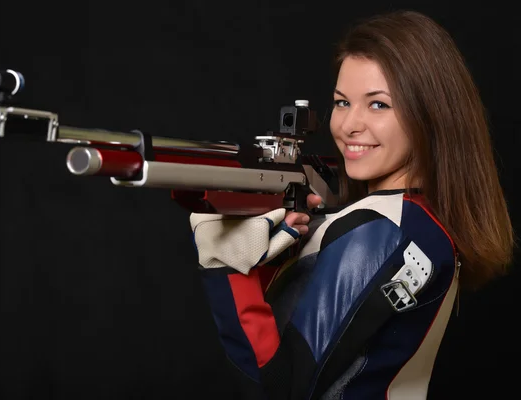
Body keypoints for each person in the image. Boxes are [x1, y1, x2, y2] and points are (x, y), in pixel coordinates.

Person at [189, 9, 514, 400]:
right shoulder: (417, 220)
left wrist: (226, 262)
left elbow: (277, 387)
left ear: (430, 114)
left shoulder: (378, 232)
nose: (348, 125)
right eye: (342, 102)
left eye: (378, 105)